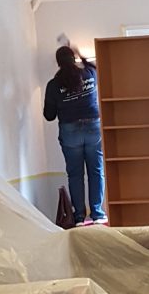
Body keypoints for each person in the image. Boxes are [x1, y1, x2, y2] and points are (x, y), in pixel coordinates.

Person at [43, 43, 106, 226]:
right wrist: (82, 57)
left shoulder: (53, 85)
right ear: (74, 59)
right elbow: (96, 69)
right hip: (93, 127)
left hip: (70, 131)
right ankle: (97, 214)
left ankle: (79, 217)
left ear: (58, 63)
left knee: (75, 174)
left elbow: (49, 116)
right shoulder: (89, 74)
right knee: (96, 171)